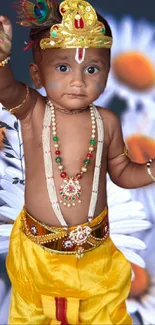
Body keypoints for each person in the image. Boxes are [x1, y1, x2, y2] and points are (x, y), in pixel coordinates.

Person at [0, 0, 154, 324]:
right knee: (31, 316)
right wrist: (2, 60)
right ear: (37, 74)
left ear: (108, 74)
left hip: (96, 259)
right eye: (63, 68)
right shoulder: (34, 112)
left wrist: (151, 169)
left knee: (106, 316)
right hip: (38, 255)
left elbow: (123, 172)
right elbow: (7, 91)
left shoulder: (108, 121)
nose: (78, 81)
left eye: (92, 69)